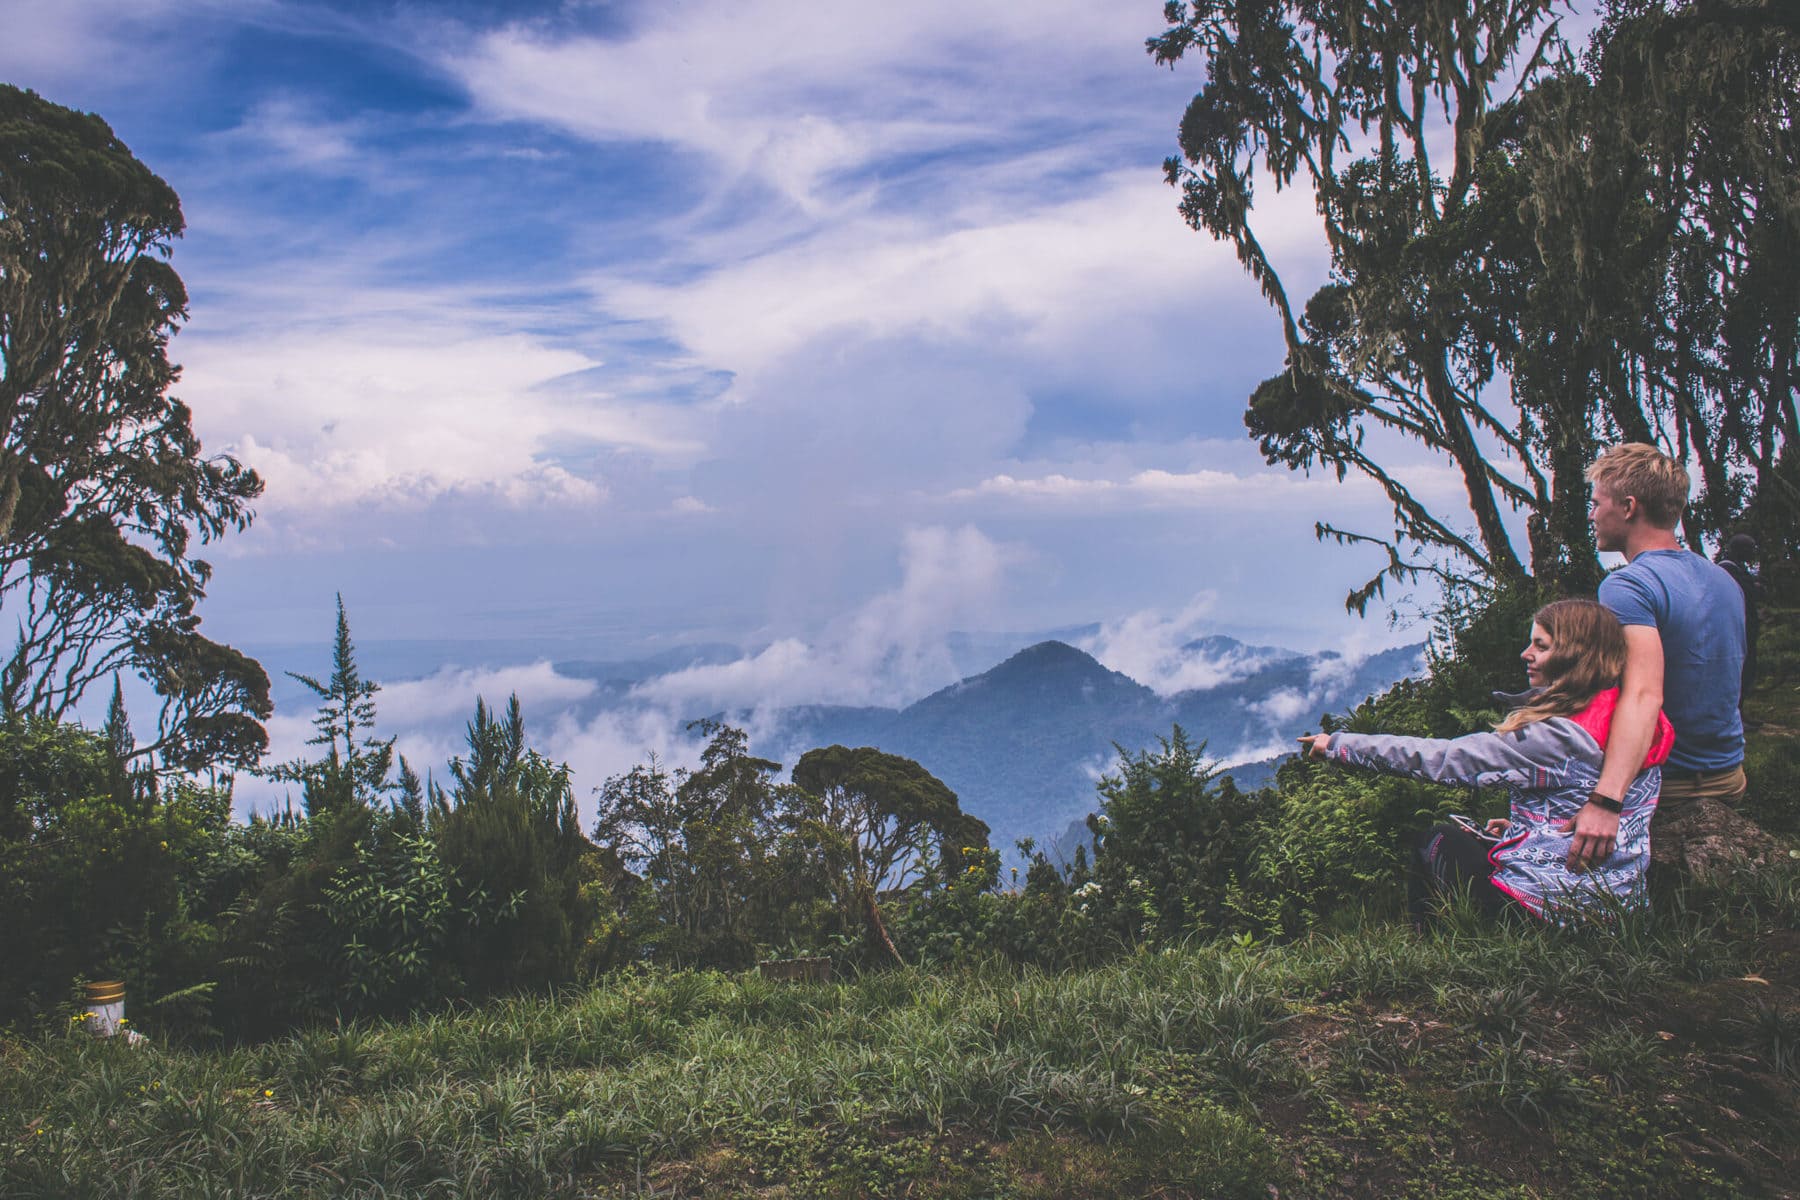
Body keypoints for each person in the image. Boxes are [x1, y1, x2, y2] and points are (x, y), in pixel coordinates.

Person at [1299, 600, 1674, 924]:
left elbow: (1444, 760)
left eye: (1540, 646)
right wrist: (1524, 830)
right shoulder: (1637, 732)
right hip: (1617, 908)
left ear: (1573, 656)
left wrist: (1339, 745)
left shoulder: (1553, 738)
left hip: (1547, 910)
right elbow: (1581, 802)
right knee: (1480, 839)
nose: (1526, 654)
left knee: (1435, 840)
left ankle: (1436, 949)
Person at [1567, 445, 1748, 872]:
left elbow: (1645, 694)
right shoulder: (1724, 580)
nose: (1591, 515)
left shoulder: (1629, 585)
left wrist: (1606, 800)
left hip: (1672, 785)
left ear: (1629, 507)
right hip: (1729, 775)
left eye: (1596, 503)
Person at [1715, 533, 1764, 726]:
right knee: (1738, 672)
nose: (1752, 553)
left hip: (1746, 627)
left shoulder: (1738, 569)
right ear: (1738, 549)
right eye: (1749, 548)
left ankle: (1740, 713)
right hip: (1735, 629)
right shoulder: (1726, 569)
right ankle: (1734, 716)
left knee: (1748, 670)